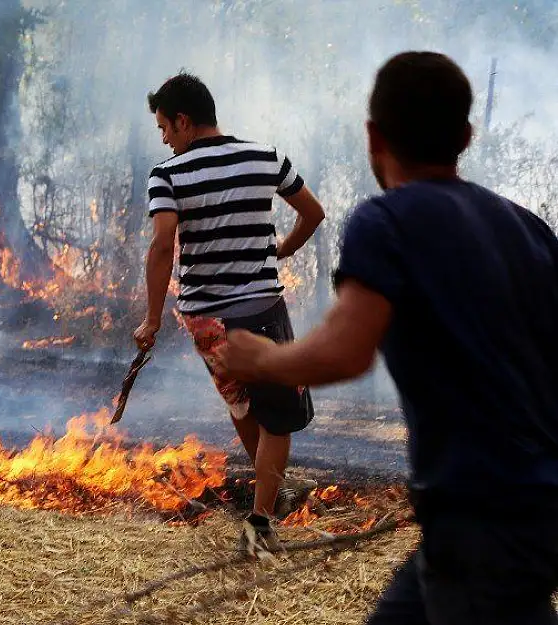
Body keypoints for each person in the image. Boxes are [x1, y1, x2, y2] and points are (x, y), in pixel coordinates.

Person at [218, 51, 558, 623]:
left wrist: (264, 358)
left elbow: (346, 351)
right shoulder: (526, 227)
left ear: (374, 135)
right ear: (466, 136)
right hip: (521, 508)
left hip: (485, 513)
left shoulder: (389, 220)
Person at [135, 72, 326, 554]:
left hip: (204, 320)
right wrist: (281, 250)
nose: (163, 138)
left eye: (163, 127)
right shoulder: (265, 156)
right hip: (262, 309)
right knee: (277, 416)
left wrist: (152, 319)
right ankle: (263, 521)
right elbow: (314, 213)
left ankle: (269, 498)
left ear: (183, 121)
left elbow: (162, 248)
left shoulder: (167, 175)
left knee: (243, 404)